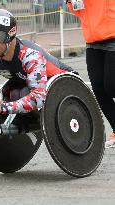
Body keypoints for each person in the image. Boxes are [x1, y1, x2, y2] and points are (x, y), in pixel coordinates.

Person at [0, 9, 76, 116]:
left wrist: (3, 107)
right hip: (29, 84)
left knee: (22, 93)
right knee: (9, 92)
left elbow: (38, 98)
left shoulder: (30, 56)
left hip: (67, 86)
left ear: (8, 37)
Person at [66, 0, 115, 148]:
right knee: (99, 90)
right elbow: (79, 10)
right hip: (92, 42)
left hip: (113, 37)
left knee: (111, 86)